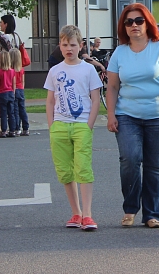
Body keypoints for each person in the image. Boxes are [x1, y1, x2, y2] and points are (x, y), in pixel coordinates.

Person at [105, 3, 159, 228]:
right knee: (129, 159)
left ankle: (151, 214)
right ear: (124, 27)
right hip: (127, 113)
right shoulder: (119, 53)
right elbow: (112, 87)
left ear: (148, 23)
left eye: (139, 20)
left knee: (154, 164)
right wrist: (111, 115)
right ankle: (130, 208)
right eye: (129, 22)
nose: (134, 25)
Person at [45, 24, 103, 230]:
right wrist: (52, 126)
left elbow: (95, 99)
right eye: (64, 44)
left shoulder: (88, 70)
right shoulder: (54, 71)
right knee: (65, 171)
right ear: (60, 47)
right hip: (60, 125)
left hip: (81, 125)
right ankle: (76, 213)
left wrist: (89, 125)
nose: (68, 48)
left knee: (83, 168)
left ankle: (87, 214)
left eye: (72, 44)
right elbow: (50, 101)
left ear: (80, 46)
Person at [0, 49, 17, 138]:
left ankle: (4, 131)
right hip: (10, 92)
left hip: (2, 93)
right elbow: (14, 83)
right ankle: (12, 130)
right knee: (11, 113)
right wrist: (13, 93)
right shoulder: (12, 71)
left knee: (3, 113)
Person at [11, 47, 29, 136]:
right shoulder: (21, 69)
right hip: (20, 89)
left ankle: (17, 128)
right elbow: (22, 81)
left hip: (13, 90)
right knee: (22, 109)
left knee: (15, 110)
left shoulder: (11, 71)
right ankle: (26, 128)